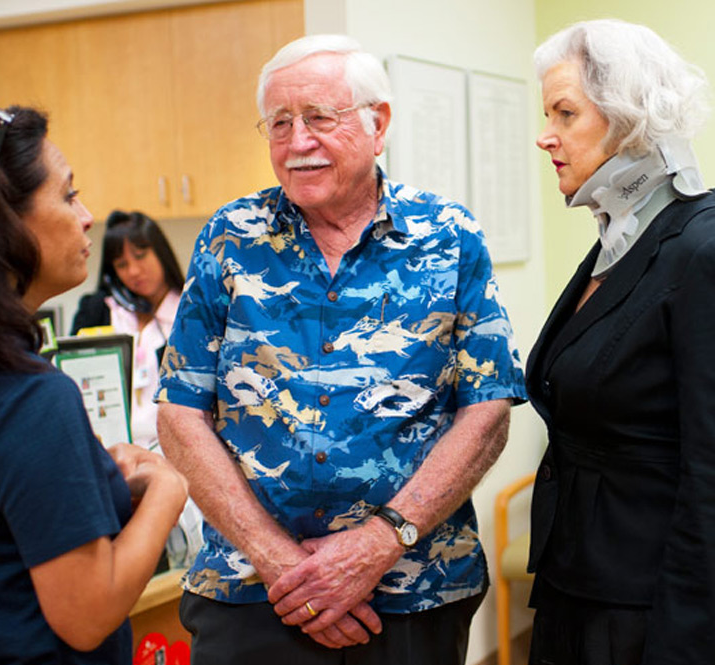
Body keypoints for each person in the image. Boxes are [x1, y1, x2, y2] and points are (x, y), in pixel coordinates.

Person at [155, 34, 527, 665]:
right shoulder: (228, 239)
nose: (298, 142)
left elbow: (486, 408)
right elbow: (180, 411)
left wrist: (381, 541)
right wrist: (279, 563)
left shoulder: (449, 236)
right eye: (279, 123)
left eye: (319, 119)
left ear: (377, 124)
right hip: (252, 594)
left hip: (412, 591)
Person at [0, 104, 188, 664]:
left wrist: (89, 485)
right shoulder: (30, 398)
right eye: (68, 196)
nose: (87, 216)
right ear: (1, 222)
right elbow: (86, 614)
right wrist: (167, 488)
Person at [527, 19, 715, 665]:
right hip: (572, 592)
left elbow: (710, 475)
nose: (544, 134)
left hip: (645, 618)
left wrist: (684, 642)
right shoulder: (622, 237)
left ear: (630, 119)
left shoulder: (701, 247)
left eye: (565, 112)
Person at [71, 210, 185, 451]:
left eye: (141, 256)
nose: (133, 271)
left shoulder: (190, 313)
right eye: (122, 264)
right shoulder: (98, 311)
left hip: (171, 451)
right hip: (108, 451)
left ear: (161, 253)